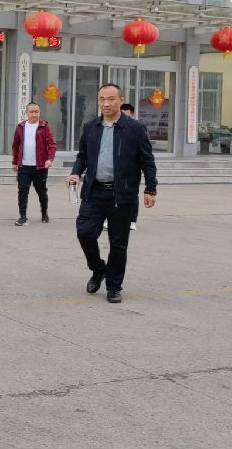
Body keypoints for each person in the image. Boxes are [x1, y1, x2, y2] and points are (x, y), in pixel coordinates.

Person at [66, 84, 158, 304]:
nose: (106, 104)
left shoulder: (135, 128)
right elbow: (83, 155)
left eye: (111, 99)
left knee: (118, 244)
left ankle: (114, 286)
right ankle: (99, 269)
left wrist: (150, 188)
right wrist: (76, 173)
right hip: (94, 191)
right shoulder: (91, 127)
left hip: (122, 195)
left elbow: (147, 160)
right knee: (85, 233)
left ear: (120, 100)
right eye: (102, 99)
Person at [10, 101, 56, 226]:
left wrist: (49, 159)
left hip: (40, 167)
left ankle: (44, 212)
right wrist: (15, 162)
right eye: (31, 112)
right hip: (24, 166)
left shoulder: (44, 127)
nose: (34, 114)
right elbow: (15, 146)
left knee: (41, 191)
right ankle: (22, 216)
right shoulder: (20, 127)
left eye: (37, 112)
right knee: (22, 191)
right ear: (26, 113)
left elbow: (52, 144)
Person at [117, 103, 139, 231]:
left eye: (127, 116)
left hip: (132, 168)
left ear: (132, 115)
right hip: (117, 167)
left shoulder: (137, 128)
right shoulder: (114, 127)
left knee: (132, 195)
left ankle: (131, 220)